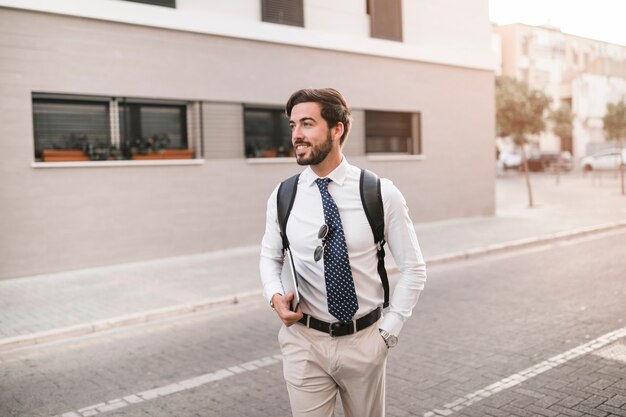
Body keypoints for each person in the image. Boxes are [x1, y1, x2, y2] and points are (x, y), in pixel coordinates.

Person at [260, 88, 427, 417]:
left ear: (337, 129)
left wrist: (386, 333)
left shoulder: (379, 193)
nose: (297, 135)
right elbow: (270, 255)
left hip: (364, 341)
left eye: (307, 124)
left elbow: (413, 268)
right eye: (293, 125)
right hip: (303, 342)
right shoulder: (283, 195)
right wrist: (274, 295)